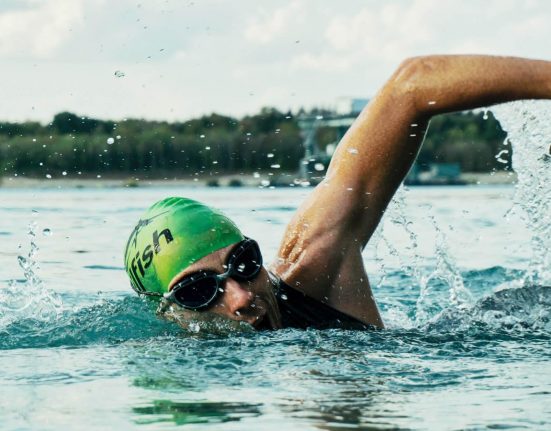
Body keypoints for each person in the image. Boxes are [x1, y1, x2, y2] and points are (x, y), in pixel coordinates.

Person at [124, 55, 551, 331]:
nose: (241, 297)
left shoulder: (314, 269)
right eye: (199, 291)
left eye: (245, 263)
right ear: (170, 313)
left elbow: (412, 85)